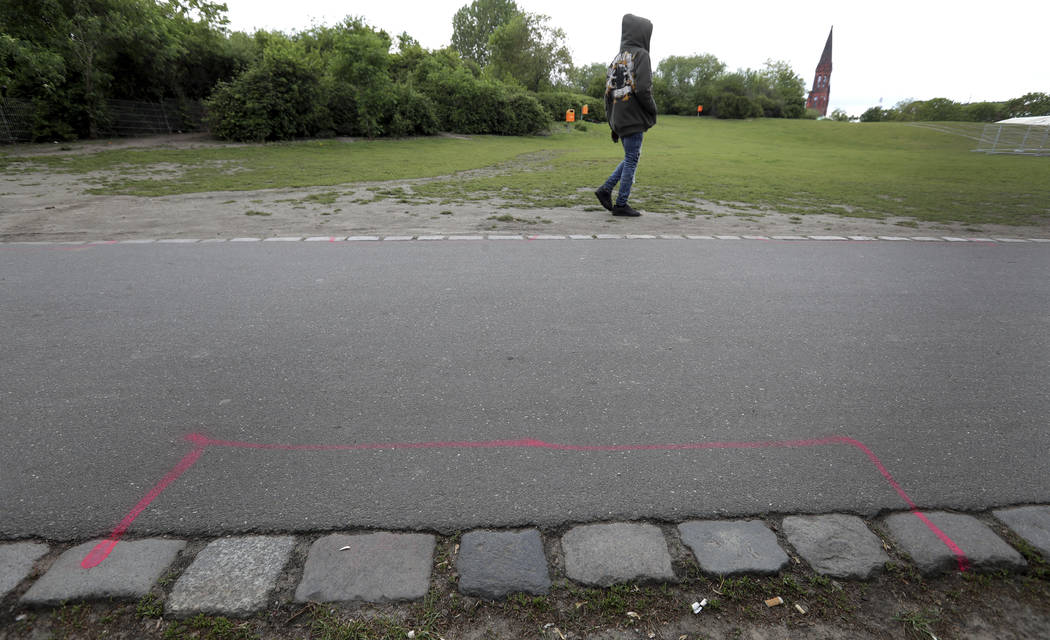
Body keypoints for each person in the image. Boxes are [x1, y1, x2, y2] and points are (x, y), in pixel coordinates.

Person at [595, 14, 658, 218]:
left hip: (619, 118)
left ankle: (606, 189)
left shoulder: (615, 60)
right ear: (643, 34)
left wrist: (612, 124)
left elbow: (607, 95)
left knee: (631, 157)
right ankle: (621, 203)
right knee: (632, 158)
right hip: (633, 118)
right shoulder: (641, 55)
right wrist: (652, 110)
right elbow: (643, 89)